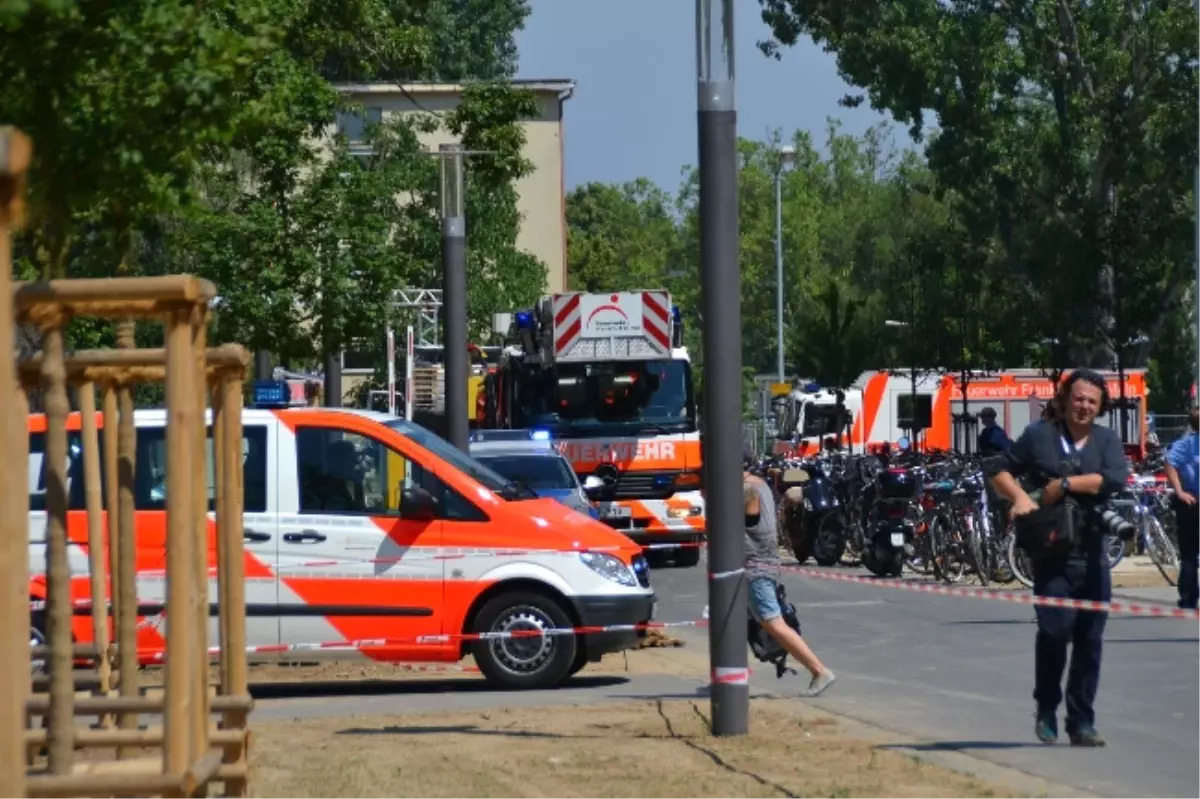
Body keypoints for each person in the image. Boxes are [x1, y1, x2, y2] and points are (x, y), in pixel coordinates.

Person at [984, 369, 1129, 747]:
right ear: (1065, 400)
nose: (1084, 406)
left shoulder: (1107, 440)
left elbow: (1114, 479)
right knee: (1054, 632)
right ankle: (1046, 707)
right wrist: (1019, 497)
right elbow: (998, 469)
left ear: (1100, 407)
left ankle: (1081, 721)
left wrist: (1064, 485)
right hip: (1051, 554)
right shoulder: (1039, 436)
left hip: (1093, 554)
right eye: (1078, 398)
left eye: (1091, 401)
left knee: (1089, 640)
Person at [742, 446, 837, 697]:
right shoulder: (759, 484)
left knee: (773, 621)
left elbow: (747, 520)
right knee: (748, 620)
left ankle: (818, 670)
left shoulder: (746, 489)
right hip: (759, 563)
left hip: (756, 564)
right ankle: (733, 674)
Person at [1163, 407, 1200, 610]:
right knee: (1189, 555)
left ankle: (1188, 597)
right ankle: (1187, 596)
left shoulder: (1183, 444)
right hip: (1191, 502)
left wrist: (1178, 490)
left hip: (1189, 500)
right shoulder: (1186, 444)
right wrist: (1180, 492)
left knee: (1188, 554)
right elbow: (1170, 462)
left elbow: (1169, 462)